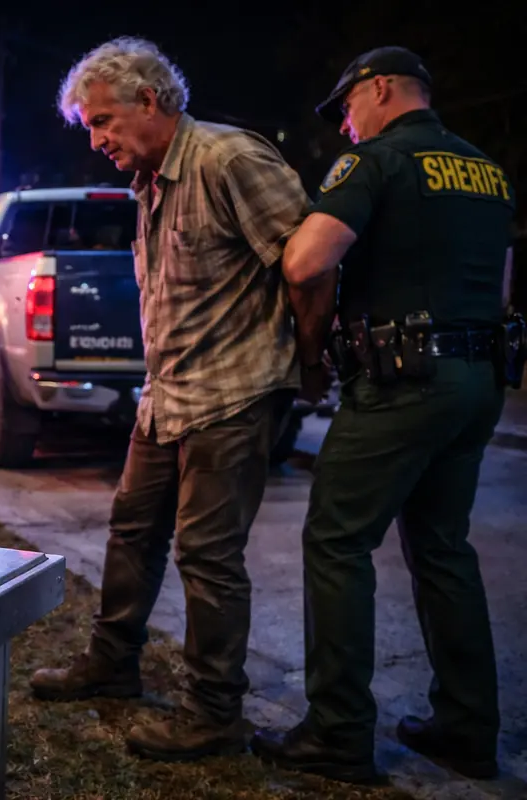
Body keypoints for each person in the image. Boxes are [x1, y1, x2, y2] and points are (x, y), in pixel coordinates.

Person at [29, 36, 308, 761]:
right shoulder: (151, 182)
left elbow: (308, 266)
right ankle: (112, 663)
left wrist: (309, 363)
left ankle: (214, 713)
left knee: (209, 557)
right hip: (167, 393)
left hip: (235, 389)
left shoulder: (229, 159)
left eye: (103, 122)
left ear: (149, 101)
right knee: (132, 529)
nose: (97, 140)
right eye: (90, 126)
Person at [250, 46, 517, 784]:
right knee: (443, 550)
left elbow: (308, 260)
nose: (345, 123)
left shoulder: (375, 162)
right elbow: (498, 292)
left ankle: (337, 732)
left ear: (381, 90)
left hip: (403, 381)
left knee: (336, 541)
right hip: (478, 377)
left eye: (346, 107)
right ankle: (467, 728)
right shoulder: (487, 172)